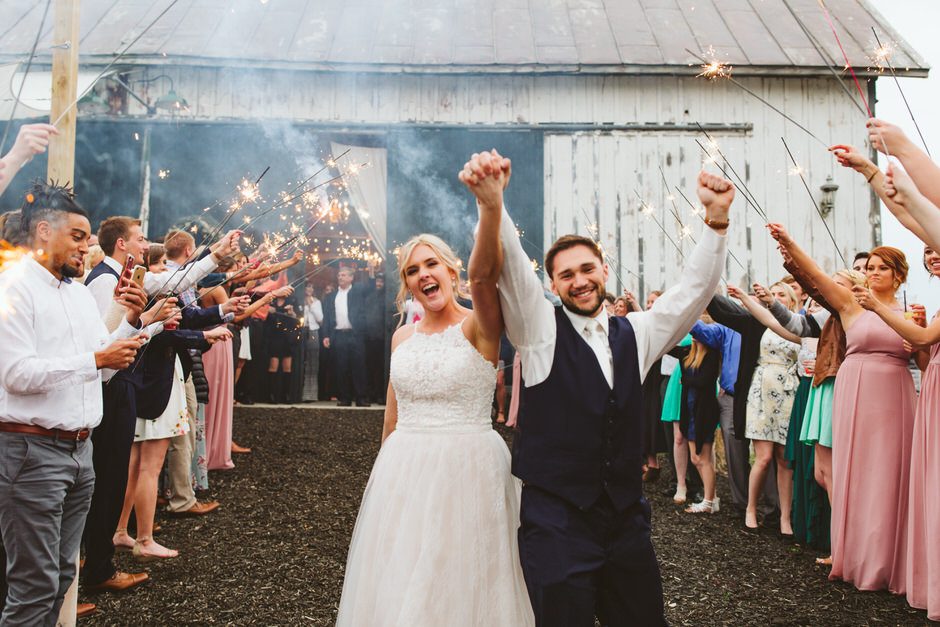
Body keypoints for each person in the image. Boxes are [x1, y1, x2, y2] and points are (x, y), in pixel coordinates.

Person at [486, 145, 731, 625]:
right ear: (552, 286)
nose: (579, 281)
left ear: (604, 270)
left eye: (586, 269)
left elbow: (691, 293)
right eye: (566, 275)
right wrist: (495, 202)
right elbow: (512, 273)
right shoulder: (539, 333)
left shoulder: (637, 333)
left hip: (624, 520)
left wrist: (716, 221)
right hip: (556, 523)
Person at [336, 152, 533, 625]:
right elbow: (392, 417)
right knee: (402, 573)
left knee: (463, 575)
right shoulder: (402, 337)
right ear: (407, 284)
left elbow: (486, 276)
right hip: (404, 470)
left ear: (451, 271)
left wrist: (490, 206)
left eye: (431, 264)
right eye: (412, 270)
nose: (423, 274)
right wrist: (384, 482)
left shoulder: (479, 326)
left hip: (470, 468)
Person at [0, 182, 147, 624]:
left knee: (63, 576)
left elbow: (101, 367)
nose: (87, 248)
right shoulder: (14, 288)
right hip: (30, 453)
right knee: (34, 584)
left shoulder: (79, 294)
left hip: (81, 453)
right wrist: (96, 359)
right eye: (78, 237)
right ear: (44, 231)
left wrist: (132, 322)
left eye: (87, 238)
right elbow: (16, 375)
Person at [770, 224, 915, 594]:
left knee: (891, 474)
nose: (873, 273)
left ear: (898, 275)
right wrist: (789, 243)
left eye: (881, 268)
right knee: (855, 473)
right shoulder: (852, 305)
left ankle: (893, 560)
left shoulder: (911, 314)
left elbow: (925, 356)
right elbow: (817, 276)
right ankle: (854, 555)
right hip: (855, 391)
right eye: (870, 268)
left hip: (895, 395)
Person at [854, 244, 940, 620]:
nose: (932, 256)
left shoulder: (912, 309)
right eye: (927, 250)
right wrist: (918, 341)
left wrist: (914, 336)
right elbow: (925, 356)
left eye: (937, 248)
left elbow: (923, 344)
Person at [727, 283, 801, 535]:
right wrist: (743, 297)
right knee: (764, 456)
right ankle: (751, 509)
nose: (776, 297)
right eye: (774, 293)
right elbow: (753, 311)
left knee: (784, 458)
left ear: (791, 300)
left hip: (788, 390)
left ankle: (785, 518)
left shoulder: (800, 324)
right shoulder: (764, 320)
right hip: (762, 389)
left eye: (782, 294)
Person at [322, 267, 371, 407]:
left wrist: (372, 271)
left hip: (355, 334)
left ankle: (361, 398)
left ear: (351, 278)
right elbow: (327, 317)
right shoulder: (332, 296)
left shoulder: (357, 292)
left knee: (358, 366)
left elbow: (370, 288)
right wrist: (326, 335)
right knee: (341, 367)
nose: (340, 277)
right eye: (339, 275)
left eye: (343, 275)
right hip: (339, 334)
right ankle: (344, 398)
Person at [302, 283, 324, 402]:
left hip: (313, 332)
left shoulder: (317, 302)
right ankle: (300, 393)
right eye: (307, 286)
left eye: (311, 287)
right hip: (301, 332)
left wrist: (311, 306)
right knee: (302, 362)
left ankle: (311, 395)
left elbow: (320, 320)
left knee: (312, 363)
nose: (309, 289)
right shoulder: (300, 301)